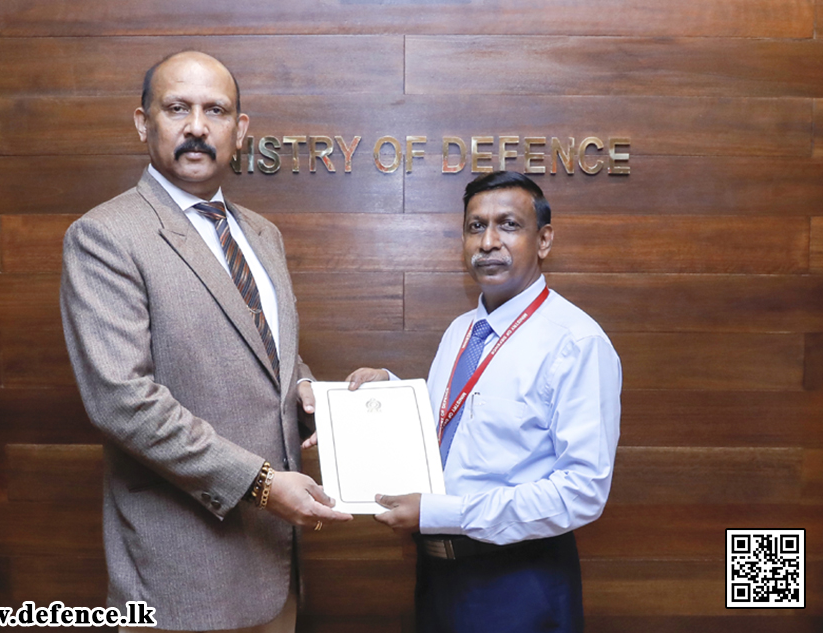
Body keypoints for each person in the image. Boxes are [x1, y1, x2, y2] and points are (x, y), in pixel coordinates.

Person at [60, 51, 351, 633]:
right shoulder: (105, 236)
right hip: (180, 577)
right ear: (143, 122)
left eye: (215, 110)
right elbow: (123, 399)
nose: (197, 126)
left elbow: (267, 354)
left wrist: (310, 392)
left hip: (275, 565)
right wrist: (262, 484)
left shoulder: (262, 235)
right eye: (177, 108)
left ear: (238, 131)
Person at [345, 171, 622, 632]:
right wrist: (387, 392)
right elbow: (450, 425)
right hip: (439, 576)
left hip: (519, 581)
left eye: (508, 225)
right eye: (476, 227)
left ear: (545, 240)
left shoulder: (576, 342)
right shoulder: (462, 331)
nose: (488, 242)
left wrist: (442, 512)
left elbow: (582, 491)